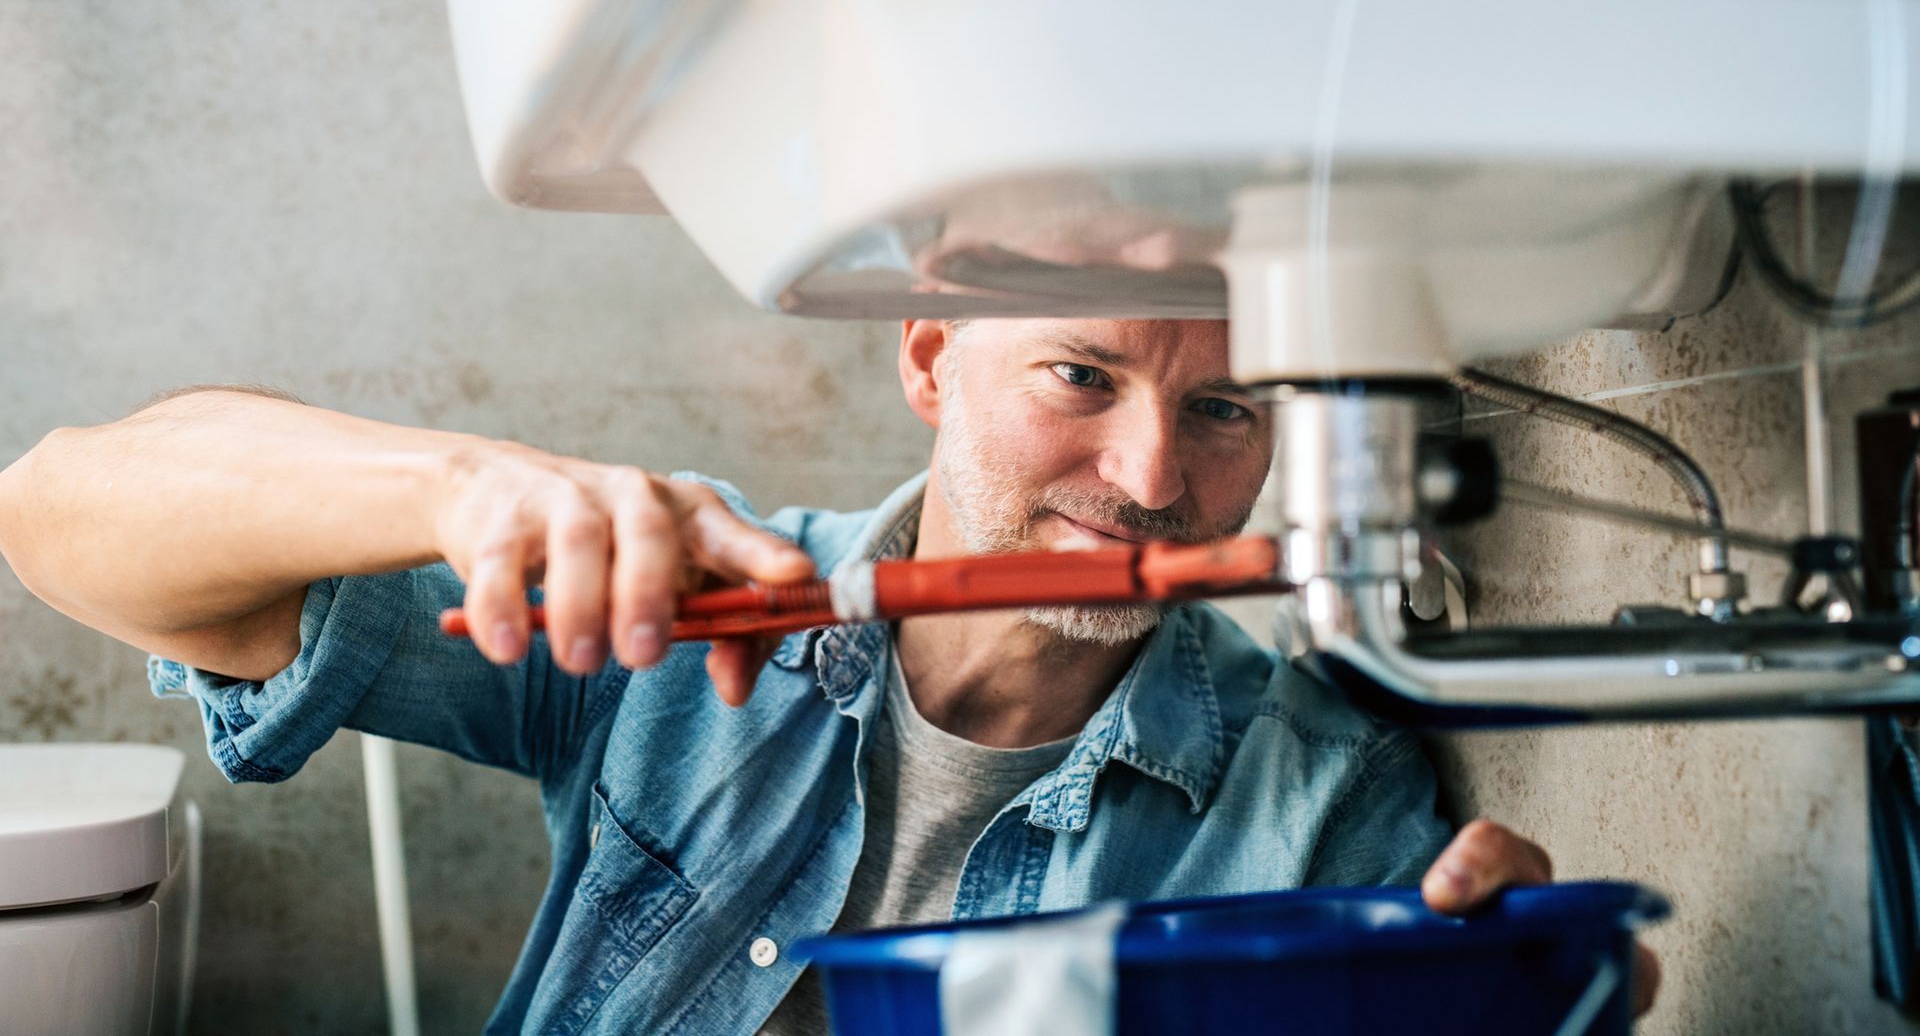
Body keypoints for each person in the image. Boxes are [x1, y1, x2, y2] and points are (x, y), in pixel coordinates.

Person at [0, 317, 1657, 1033]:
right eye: (1082, 374)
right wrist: (462, 490)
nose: (1153, 476)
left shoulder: (1324, 790)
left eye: (1227, 410)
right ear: (931, 360)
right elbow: (58, 507)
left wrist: (1501, 993)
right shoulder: (678, 602)